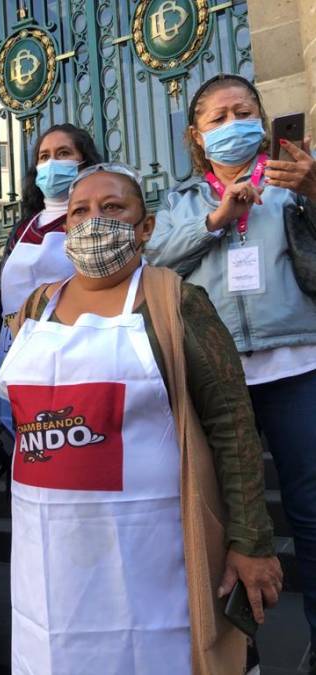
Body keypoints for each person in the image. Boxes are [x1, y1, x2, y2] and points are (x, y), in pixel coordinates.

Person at [0, 163, 282, 675]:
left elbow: (231, 422)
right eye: (80, 210)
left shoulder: (176, 302)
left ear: (144, 227)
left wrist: (250, 541)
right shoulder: (36, 307)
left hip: (155, 551)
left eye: (113, 208)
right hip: (54, 555)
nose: (93, 221)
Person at [147, 73, 316, 670]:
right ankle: (241, 653)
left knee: (312, 510)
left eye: (242, 111)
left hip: (298, 362)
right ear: (197, 135)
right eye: (216, 118)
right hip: (217, 377)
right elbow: (156, 261)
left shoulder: (297, 180)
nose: (230, 124)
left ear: (264, 118)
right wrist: (215, 219)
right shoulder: (180, 201)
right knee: (227, 519)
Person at [0, 123, 103, 431]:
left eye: (63, 153)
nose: (52, 163)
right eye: (44, 156)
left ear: (83, 162)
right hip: (14, 343)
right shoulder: (23, 227)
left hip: (72, 341)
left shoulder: (95, 220)